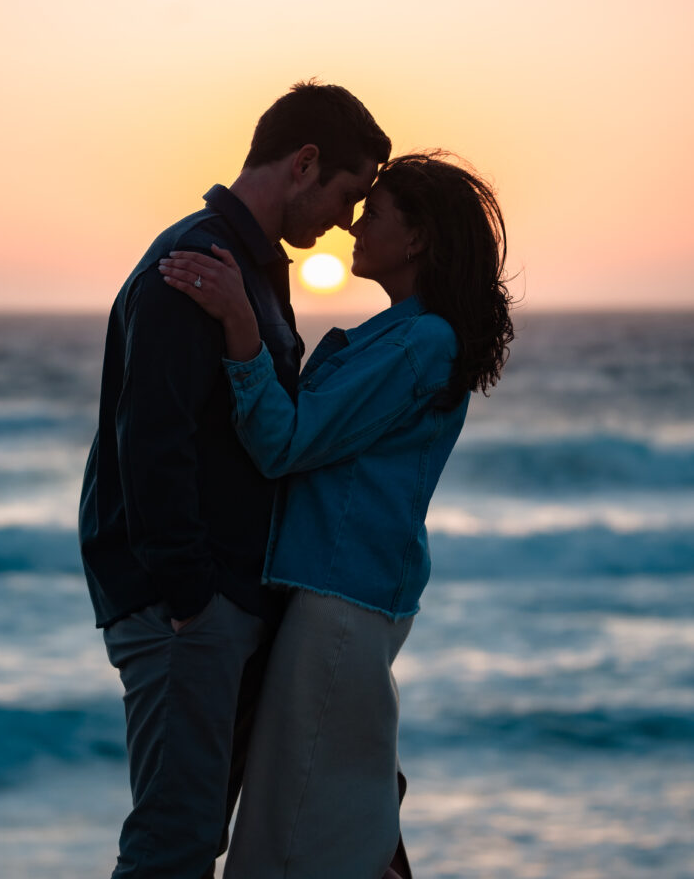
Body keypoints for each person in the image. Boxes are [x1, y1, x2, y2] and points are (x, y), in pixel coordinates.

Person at [159, 151, 514, 878]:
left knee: (294, 835)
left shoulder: (422, 342)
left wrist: (239, 327)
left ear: (416, 240)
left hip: (340, 596)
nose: (356, 222)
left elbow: (285, 442)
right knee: (311, 808)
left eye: (375, 212)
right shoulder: (402, 336)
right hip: (338, 589)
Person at [78, 81, 391, 879]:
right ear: (304, 163)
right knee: (172, 846)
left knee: (195, 840)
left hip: (224, 599)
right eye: (347, 195)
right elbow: (151, 439)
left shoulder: (254, 269)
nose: (346, 222)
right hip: (189, 605)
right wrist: (186, 593)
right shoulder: (194, 263)